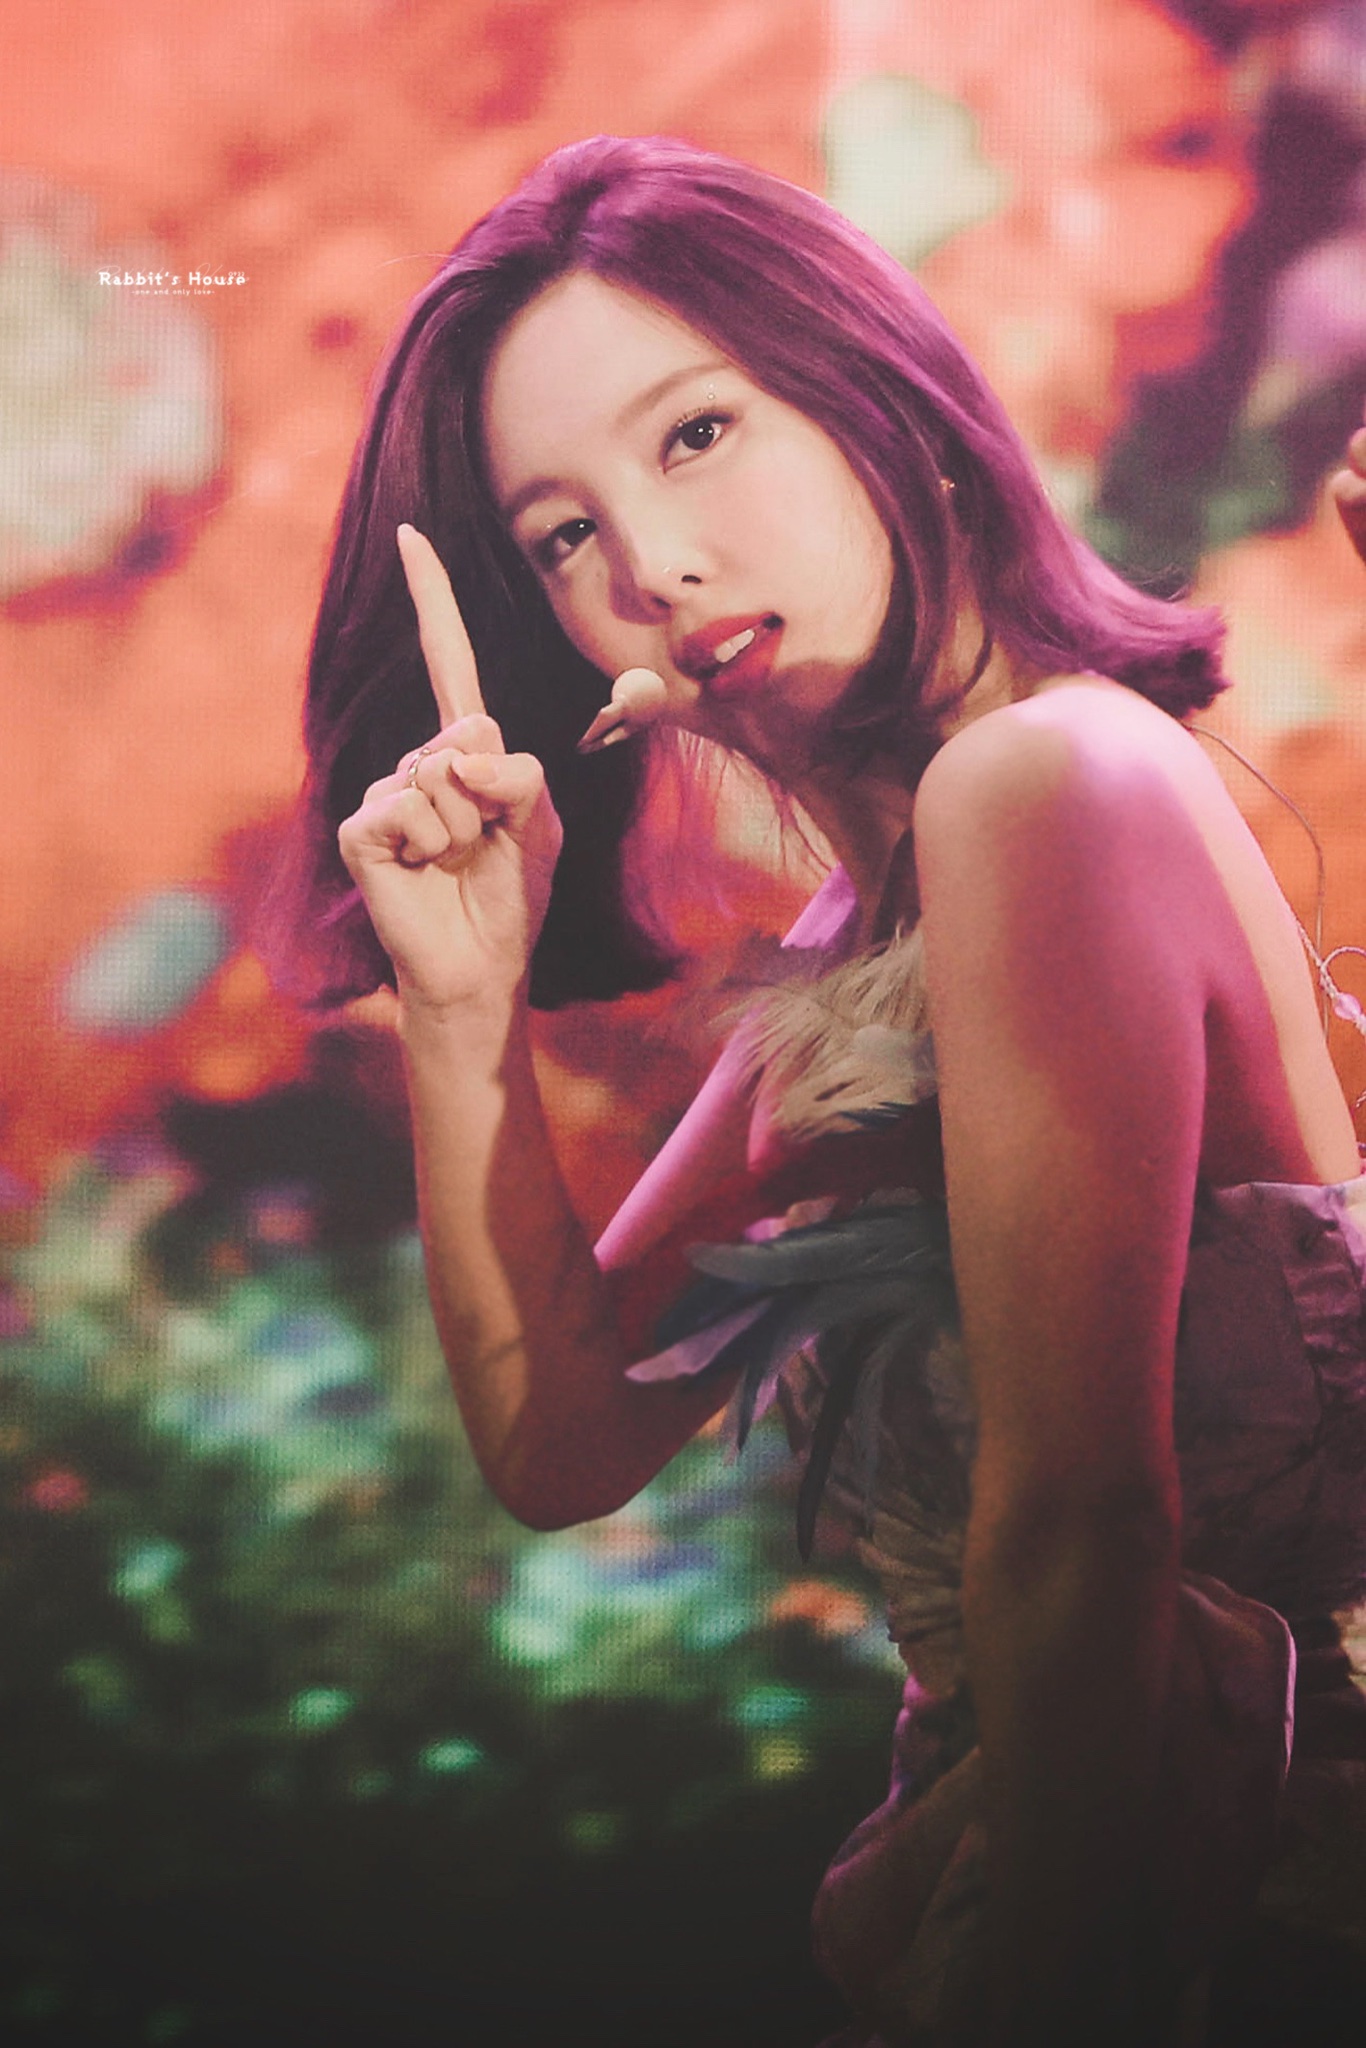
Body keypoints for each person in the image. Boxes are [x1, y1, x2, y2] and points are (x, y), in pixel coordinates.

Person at [288, 137, 1366, 2046]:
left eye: (696, 434)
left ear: (879, 397)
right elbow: (564, 1441)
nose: (651, 566)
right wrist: (464, 1008)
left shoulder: (1039, 790)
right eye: (560, 534)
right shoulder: (875, 930)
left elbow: (1083, 1519)